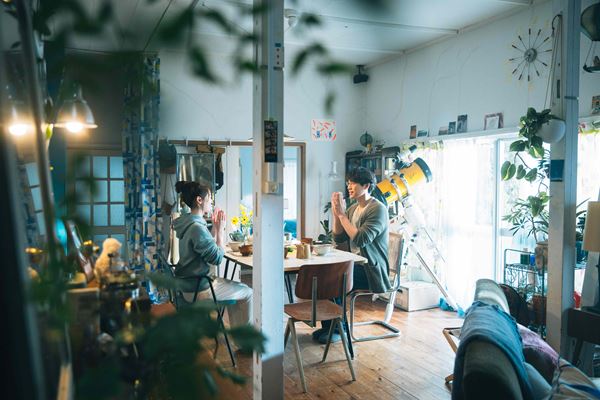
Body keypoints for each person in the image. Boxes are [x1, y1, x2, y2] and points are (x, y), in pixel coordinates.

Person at [313, 167, 390, 343]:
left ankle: (339, 330)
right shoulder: (353, 208)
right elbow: (339, 237)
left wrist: (342, 215)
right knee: (324, 275)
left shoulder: (378, 209)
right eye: (348, 183)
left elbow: (361, 239)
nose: (349, 186)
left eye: (353, 183)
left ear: (366, 185)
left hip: (371, 269)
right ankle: (330, 327)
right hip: (356, 264)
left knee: (334, 279)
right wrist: (336, 214)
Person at [172, 181, 252, 327]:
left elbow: (203, 245)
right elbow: (217, 258)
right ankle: (243, 338)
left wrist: (215, 229)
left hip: (187, 285)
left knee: (239, 289)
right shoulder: (196, 228)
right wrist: (220, 232)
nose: (211, 203)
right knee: (247, 292)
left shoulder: (188, 223)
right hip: (199, 288)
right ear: (199, 200)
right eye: (209, 199)